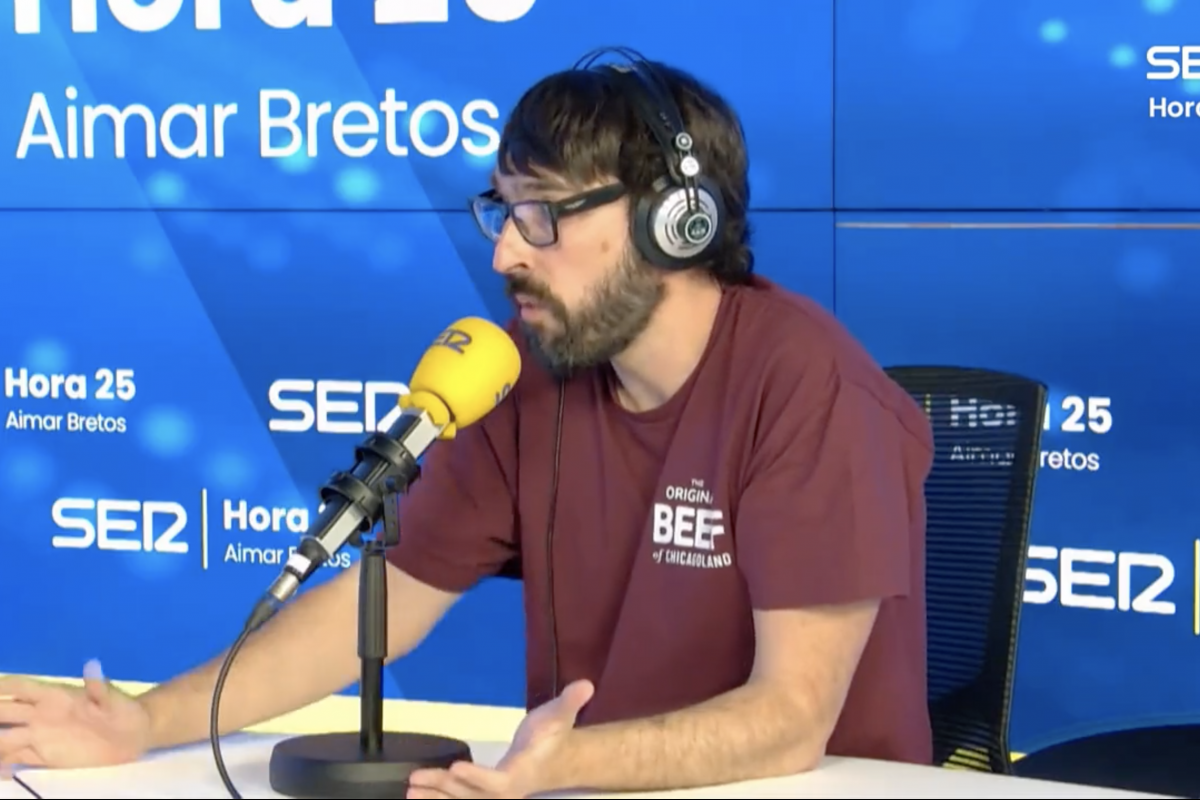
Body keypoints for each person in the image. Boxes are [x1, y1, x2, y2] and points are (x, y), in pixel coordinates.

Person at [0, 49, 934, 798]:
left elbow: (790, 719)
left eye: (541, 215)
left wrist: (569, 764)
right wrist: (144, 721)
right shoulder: (525, 373)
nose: (504, 252)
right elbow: (387, 603)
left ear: (672, 222)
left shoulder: (811, 390)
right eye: (503, 211)